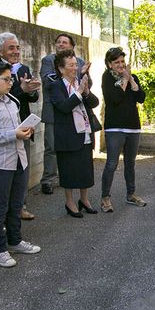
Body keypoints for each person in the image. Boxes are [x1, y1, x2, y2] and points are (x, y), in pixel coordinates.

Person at [0, 60, 41, 268]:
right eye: (5, 79)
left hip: (18, 159)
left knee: (16, 205)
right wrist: (13, 134)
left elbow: (16, 130)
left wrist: (25, 131)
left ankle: (14, 240)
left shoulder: (12, 102)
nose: (10, 82)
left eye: (10, 79)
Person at [48, 49, 99, 218]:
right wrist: (78, 93)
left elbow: (94, 103)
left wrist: (85, 91)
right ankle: (69, 202)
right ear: (61, 69)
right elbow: (63, 107)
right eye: (70, 65)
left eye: (76, 64)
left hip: (84, 131)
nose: (75, 68)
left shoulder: (80, 82)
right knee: (69, 170)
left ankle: (84, 200)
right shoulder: (56, 86)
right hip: (67, 135)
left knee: (85, 169)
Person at [0, 32, 39, 220]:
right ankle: (5, 212)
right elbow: (3, 97)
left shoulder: (24, 69)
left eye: (18, 47)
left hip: (24, 125)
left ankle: (20, 207)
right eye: (11, 48)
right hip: (4, 130)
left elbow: (33, 98)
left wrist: (31, 90)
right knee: (6, 172)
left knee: (23, 170)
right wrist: (22, 89)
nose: (16, 51)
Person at [39, 33, 91, 195]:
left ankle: (67, 178)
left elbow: (88, 84)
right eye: (58, 42)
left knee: (75, 147)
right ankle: (48, 179)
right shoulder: (49, 60)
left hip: (75, 113)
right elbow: (48, 81)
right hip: (55, 111)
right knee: (52, 146)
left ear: (72, 46)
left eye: (65, 42)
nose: (61, 44)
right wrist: (67, 74)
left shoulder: (80, 61)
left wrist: (81, 75)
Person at [100, 47, 146, 212]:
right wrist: (125, 81)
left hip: (133, 127)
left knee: (130, 163)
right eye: (116, 62)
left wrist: (131, 80)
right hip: (115, 128)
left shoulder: (132, 77)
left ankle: (131, 194)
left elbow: (140, 98)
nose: (120, 65)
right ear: (110, 64)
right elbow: (115, 100)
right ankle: (105, 197)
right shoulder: (107, 77)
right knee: (111, 163)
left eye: (122, 61)